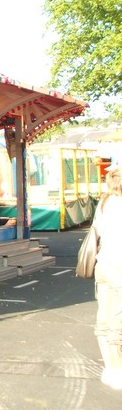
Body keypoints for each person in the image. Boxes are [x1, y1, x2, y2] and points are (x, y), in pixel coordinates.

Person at [92, 163, 122, 390]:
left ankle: (110, 367)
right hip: (118, 265)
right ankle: (117, 370)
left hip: (103, 263)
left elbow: (98, 231)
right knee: (118, 320)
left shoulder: (103, 203)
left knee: (104, 317)